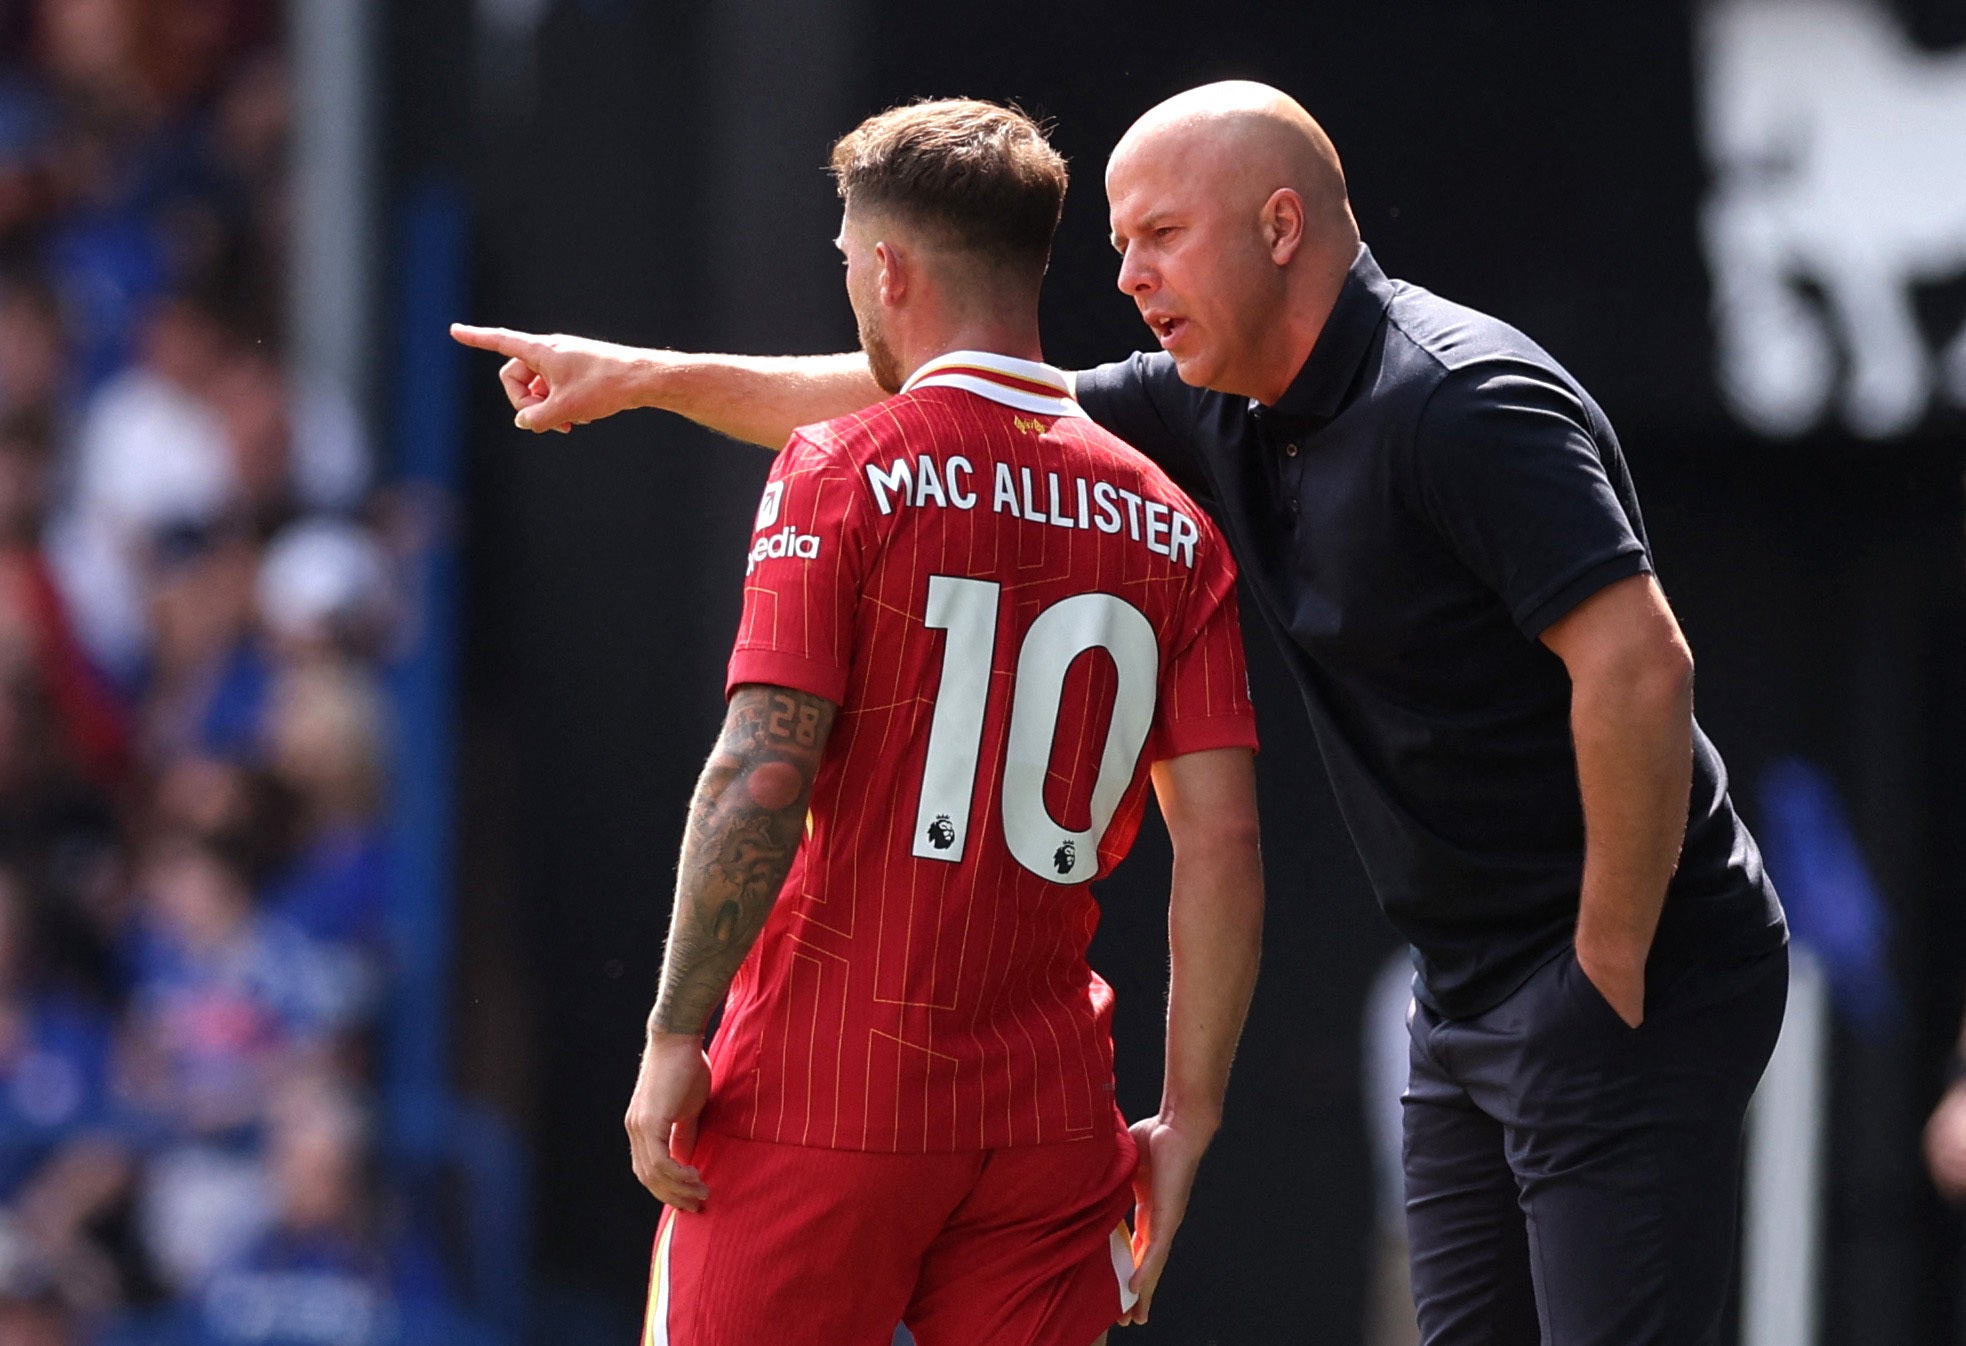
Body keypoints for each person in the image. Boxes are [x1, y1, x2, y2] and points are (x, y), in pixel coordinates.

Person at [456, 79, 1791, 1346]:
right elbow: (932, 399)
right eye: (1112, 241)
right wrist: (638, 371)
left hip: (1612, 961)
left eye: (1159, 234)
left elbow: (1640, 669)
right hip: (1351, 1014)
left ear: (1281, 226)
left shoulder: (1460, 399)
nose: (1128, 275)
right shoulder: (1199, 439)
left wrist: (1605, 957)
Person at [463, 100, 1265, 1346]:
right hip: (1047, 1117)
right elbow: (1219, 844)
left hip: (822, 1087)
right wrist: (1188, 1113)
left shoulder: (839, 468)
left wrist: (676, 1029)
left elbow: (762, 772)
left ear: (887, 269)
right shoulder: (1173, 521)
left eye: (846, 263)